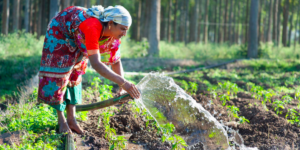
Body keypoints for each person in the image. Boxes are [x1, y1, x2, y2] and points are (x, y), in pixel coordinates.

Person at [37, 5, 141, 134]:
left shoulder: (113, 37)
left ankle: (72, 120)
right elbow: (96, 64)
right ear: (110, 24)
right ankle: (62, 120)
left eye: (126, 30)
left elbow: (115, 60)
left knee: (76, 72)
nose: (124, 34)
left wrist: (121, 87)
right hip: (61, 31)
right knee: (60, 73)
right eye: (122, 29)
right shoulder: (93, 27)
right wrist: (124, 83)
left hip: (80, 35)